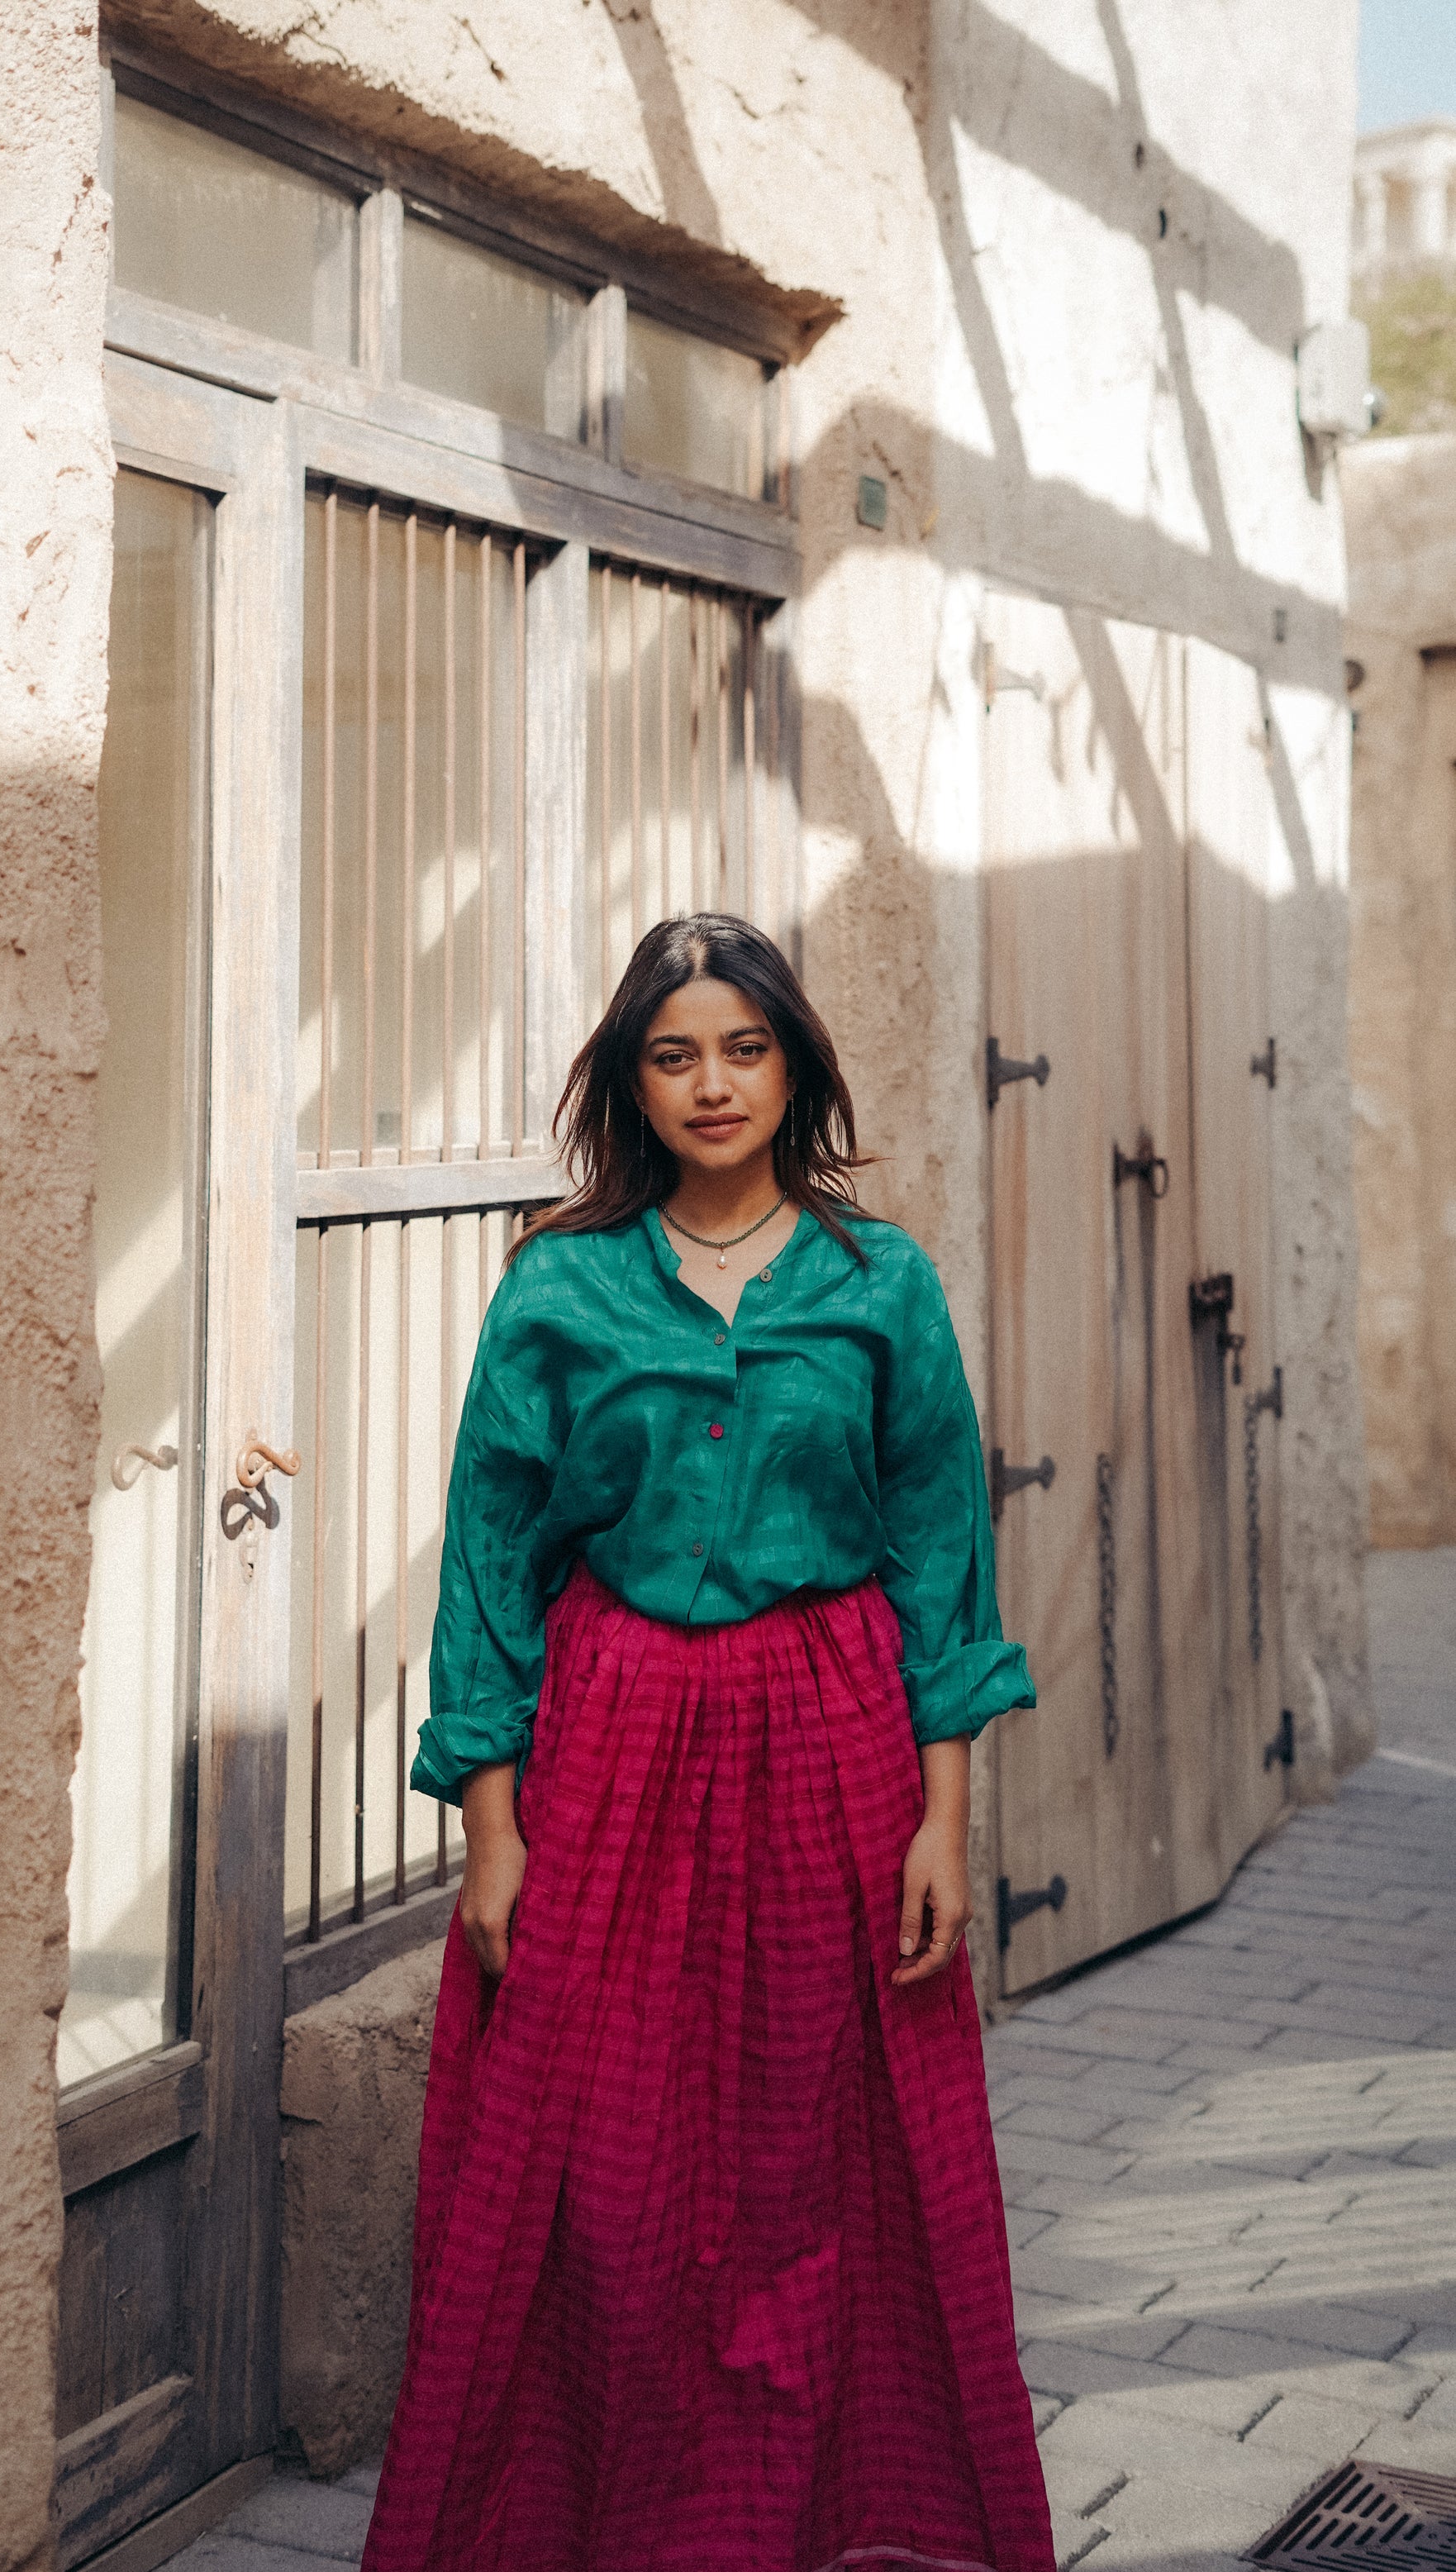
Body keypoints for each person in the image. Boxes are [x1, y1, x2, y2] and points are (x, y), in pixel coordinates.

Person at [360, 915, 1055, 2572]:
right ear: (632, 1081)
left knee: (814, 2141)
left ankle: (824, 2512)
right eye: (674, 1053)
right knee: (593, 2157)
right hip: (611, 1737)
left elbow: (935, 1545)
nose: (712, 1081)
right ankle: (596, 2510)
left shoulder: (877, 1280)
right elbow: (491, 1557)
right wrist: (493, 1823)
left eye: (743, 1047)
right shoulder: (560, 1282)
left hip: (833, 1732)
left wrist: (940, 1817)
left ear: (793, 1064)